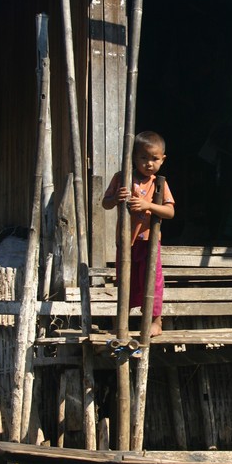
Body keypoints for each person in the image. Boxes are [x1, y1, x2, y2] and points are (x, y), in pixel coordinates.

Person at [102, 131, 175, 337]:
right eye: (143, 157)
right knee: (125, 281)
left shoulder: (159, 183)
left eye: (154, 159)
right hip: (126, 242)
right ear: (134, 157)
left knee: (152, 281)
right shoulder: (121, 178)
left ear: (162, 160)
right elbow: (105, 203)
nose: (149, 163)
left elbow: (170, 212)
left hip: (149, 242)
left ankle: (155, 322)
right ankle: (121, 324)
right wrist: (116, 198)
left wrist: (148, 205)